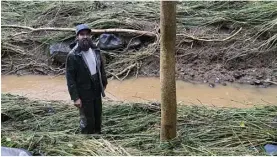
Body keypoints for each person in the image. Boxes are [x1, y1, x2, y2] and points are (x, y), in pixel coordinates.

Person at [66, 24, 108, 134]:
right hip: (83, 91)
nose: (85, 37)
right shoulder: (73, 55)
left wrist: (103, 82)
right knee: (87, 118)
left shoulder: (95, 50)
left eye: (87, 34)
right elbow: (70, 79)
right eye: (82, 34)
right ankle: (87, 138)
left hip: (96, 88)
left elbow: (100, 67)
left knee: (97, 114)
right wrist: (75, 98)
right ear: (77, 37)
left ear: (90, 36)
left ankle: (98, 134)